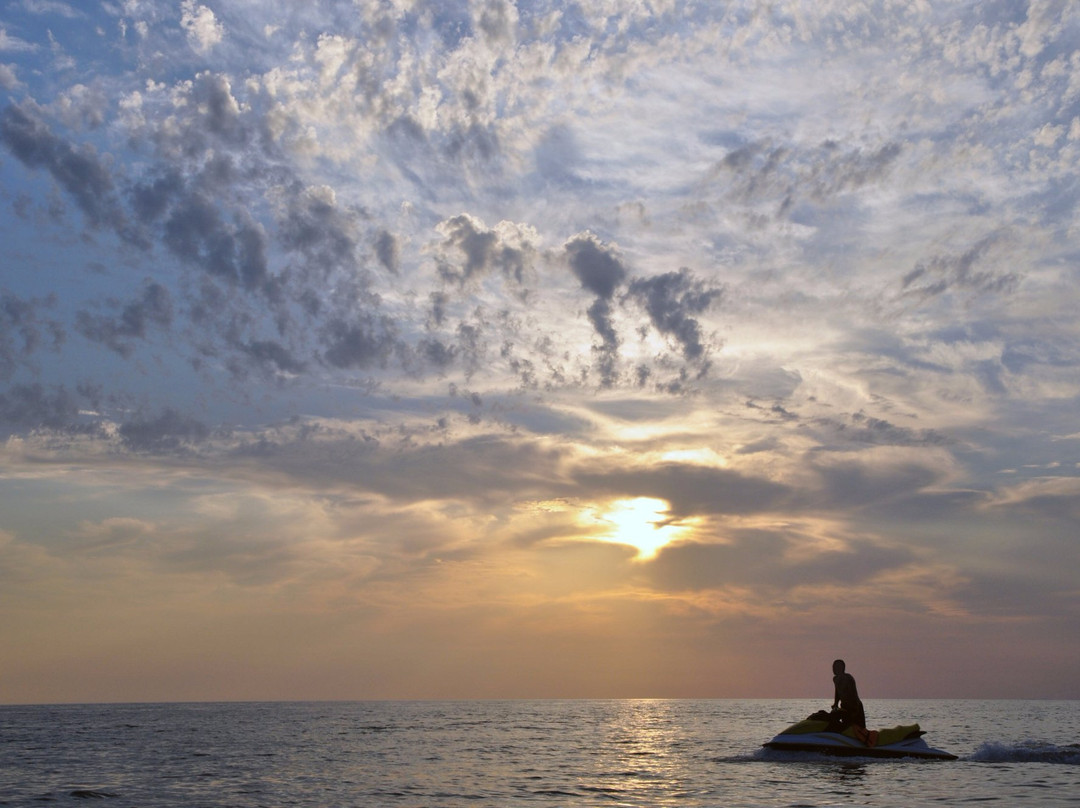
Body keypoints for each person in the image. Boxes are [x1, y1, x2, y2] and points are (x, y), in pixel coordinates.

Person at [831, 659, 866, 730]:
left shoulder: (848, 678)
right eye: (833, 666)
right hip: (844, 706)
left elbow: (853, 693)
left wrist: (855, 710)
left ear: (842, 668)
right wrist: (835, 703)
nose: (833, 668)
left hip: (855, 706)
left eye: (836, 666)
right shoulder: (835, 679)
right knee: (847, 727)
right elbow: (837, 692)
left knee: (859, 728)